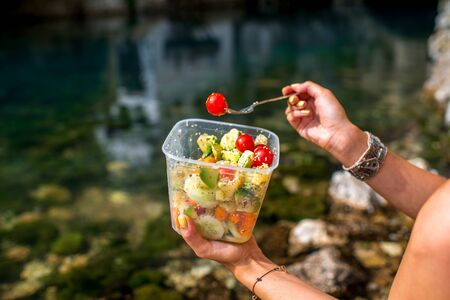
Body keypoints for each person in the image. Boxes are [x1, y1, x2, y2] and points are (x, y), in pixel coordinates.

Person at [180, 81, 449, 300]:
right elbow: (439, 206)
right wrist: (349, 144)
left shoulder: (439, 233)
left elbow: (440, 222)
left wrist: (248, 264)